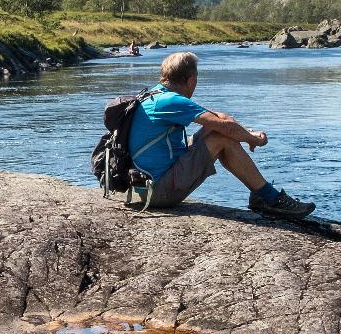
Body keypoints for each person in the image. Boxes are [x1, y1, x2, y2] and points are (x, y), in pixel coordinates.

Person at [128, 51, 316, 219]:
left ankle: (263, 195)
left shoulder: (153, 94)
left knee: (220, 127)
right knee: (221, 138)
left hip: (145, 186)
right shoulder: (172, 101)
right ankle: (270, 198)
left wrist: (246, 132)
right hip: (159, 192)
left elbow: (221, 119)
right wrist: (253, 139)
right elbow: (224, 127)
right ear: (191, 80)